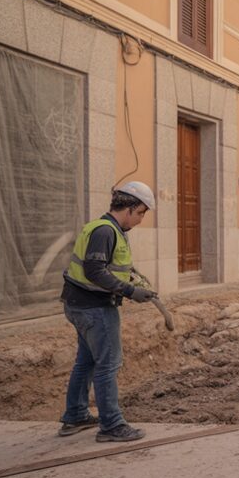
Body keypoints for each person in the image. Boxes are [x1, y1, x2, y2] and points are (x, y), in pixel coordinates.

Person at [59, 181, 157, 442]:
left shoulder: (104, 228)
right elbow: (94, 270)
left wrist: (134, 282)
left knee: (87, 361)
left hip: (78, 304)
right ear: (130, 208)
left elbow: (106, 267)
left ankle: (75, 415)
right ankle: (112, 424)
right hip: (94, 308)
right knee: (108, 364)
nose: (140, 220)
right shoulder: (105, 231)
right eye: (141, 213)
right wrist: (129, 291)